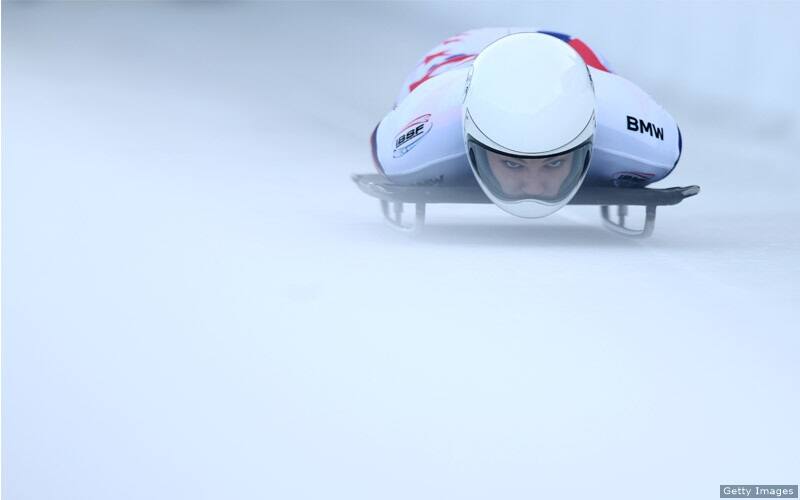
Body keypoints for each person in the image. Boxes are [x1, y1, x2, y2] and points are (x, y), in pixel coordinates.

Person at [371, 28, 683, 218]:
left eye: (554, 163)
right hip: (456, 58)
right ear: (472, 144)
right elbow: (384, 142)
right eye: (513, 165)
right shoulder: (423, 138)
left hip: (573, 54)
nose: (534, 187)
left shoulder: (647, 140)